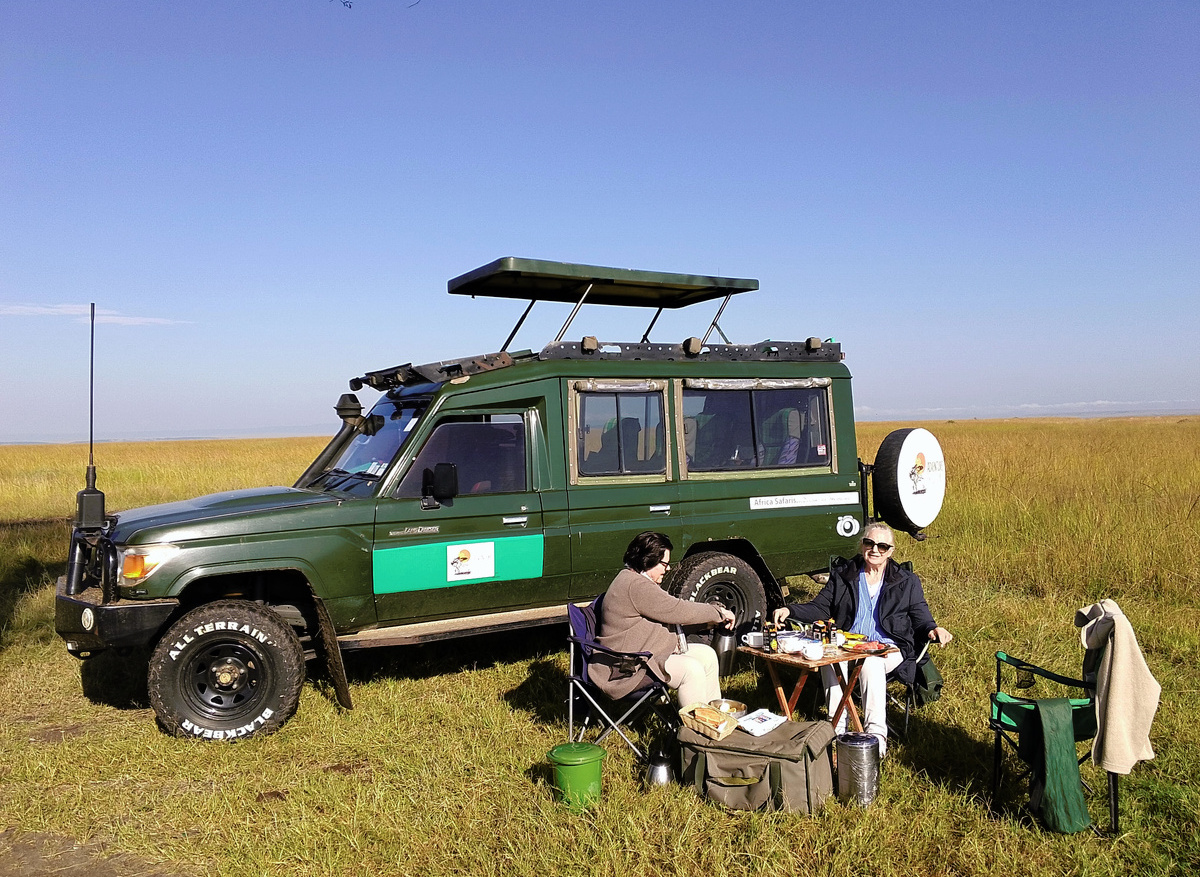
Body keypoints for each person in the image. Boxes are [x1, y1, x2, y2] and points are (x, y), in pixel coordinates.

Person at [773, 521, 952, 758]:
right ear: (862, 544)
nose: (875, 549)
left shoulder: (906, 581)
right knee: (828, 656)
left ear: (891, 551)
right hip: (848, 645)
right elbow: (820, 607)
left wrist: (933, 629)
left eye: (882, 545)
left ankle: (876, 737)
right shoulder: (844, 575)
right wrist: (791, 611)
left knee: (870, 661)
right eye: (869, 542)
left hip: (889, 648)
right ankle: (836, 725)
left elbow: (921, 616)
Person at [591, 531, 736, 708]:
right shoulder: (636, 586)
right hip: (625, 667)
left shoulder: (630, 578)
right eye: (664, 564)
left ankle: (715, 719)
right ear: (647, 560)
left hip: (641, 655)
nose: (667, 569)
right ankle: (696, 730)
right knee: (691, 670)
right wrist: (719, 612)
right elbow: (677, 610)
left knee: (707, 655)